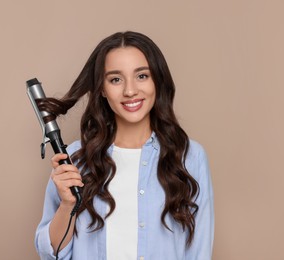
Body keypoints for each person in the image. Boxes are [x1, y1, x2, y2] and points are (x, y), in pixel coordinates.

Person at [35, 31, 214, 260]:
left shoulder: (190, 157)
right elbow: (52, 255)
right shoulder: (74, 159)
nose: (130, 91)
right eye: (115, 79)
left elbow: (199, 252)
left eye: (142, 76)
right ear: (102, 88)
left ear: (157, 80)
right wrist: (68, 205)